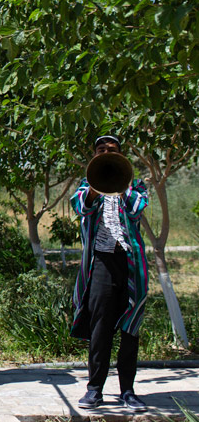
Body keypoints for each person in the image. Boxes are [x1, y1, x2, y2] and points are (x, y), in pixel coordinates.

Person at [71, 135, 149, 412]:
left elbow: (137, 209)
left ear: (120, 155)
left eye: (111, 150)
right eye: (101, 150)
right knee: (100, 327)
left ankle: (128, 390)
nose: (106, 152)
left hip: (129, 264)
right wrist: (97, 184)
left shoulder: (136, 187)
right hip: (101, 263)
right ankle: (95, 389)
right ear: (94, 156)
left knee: (130, 329)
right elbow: (80, 207)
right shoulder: (85, 186)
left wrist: (120, 181)